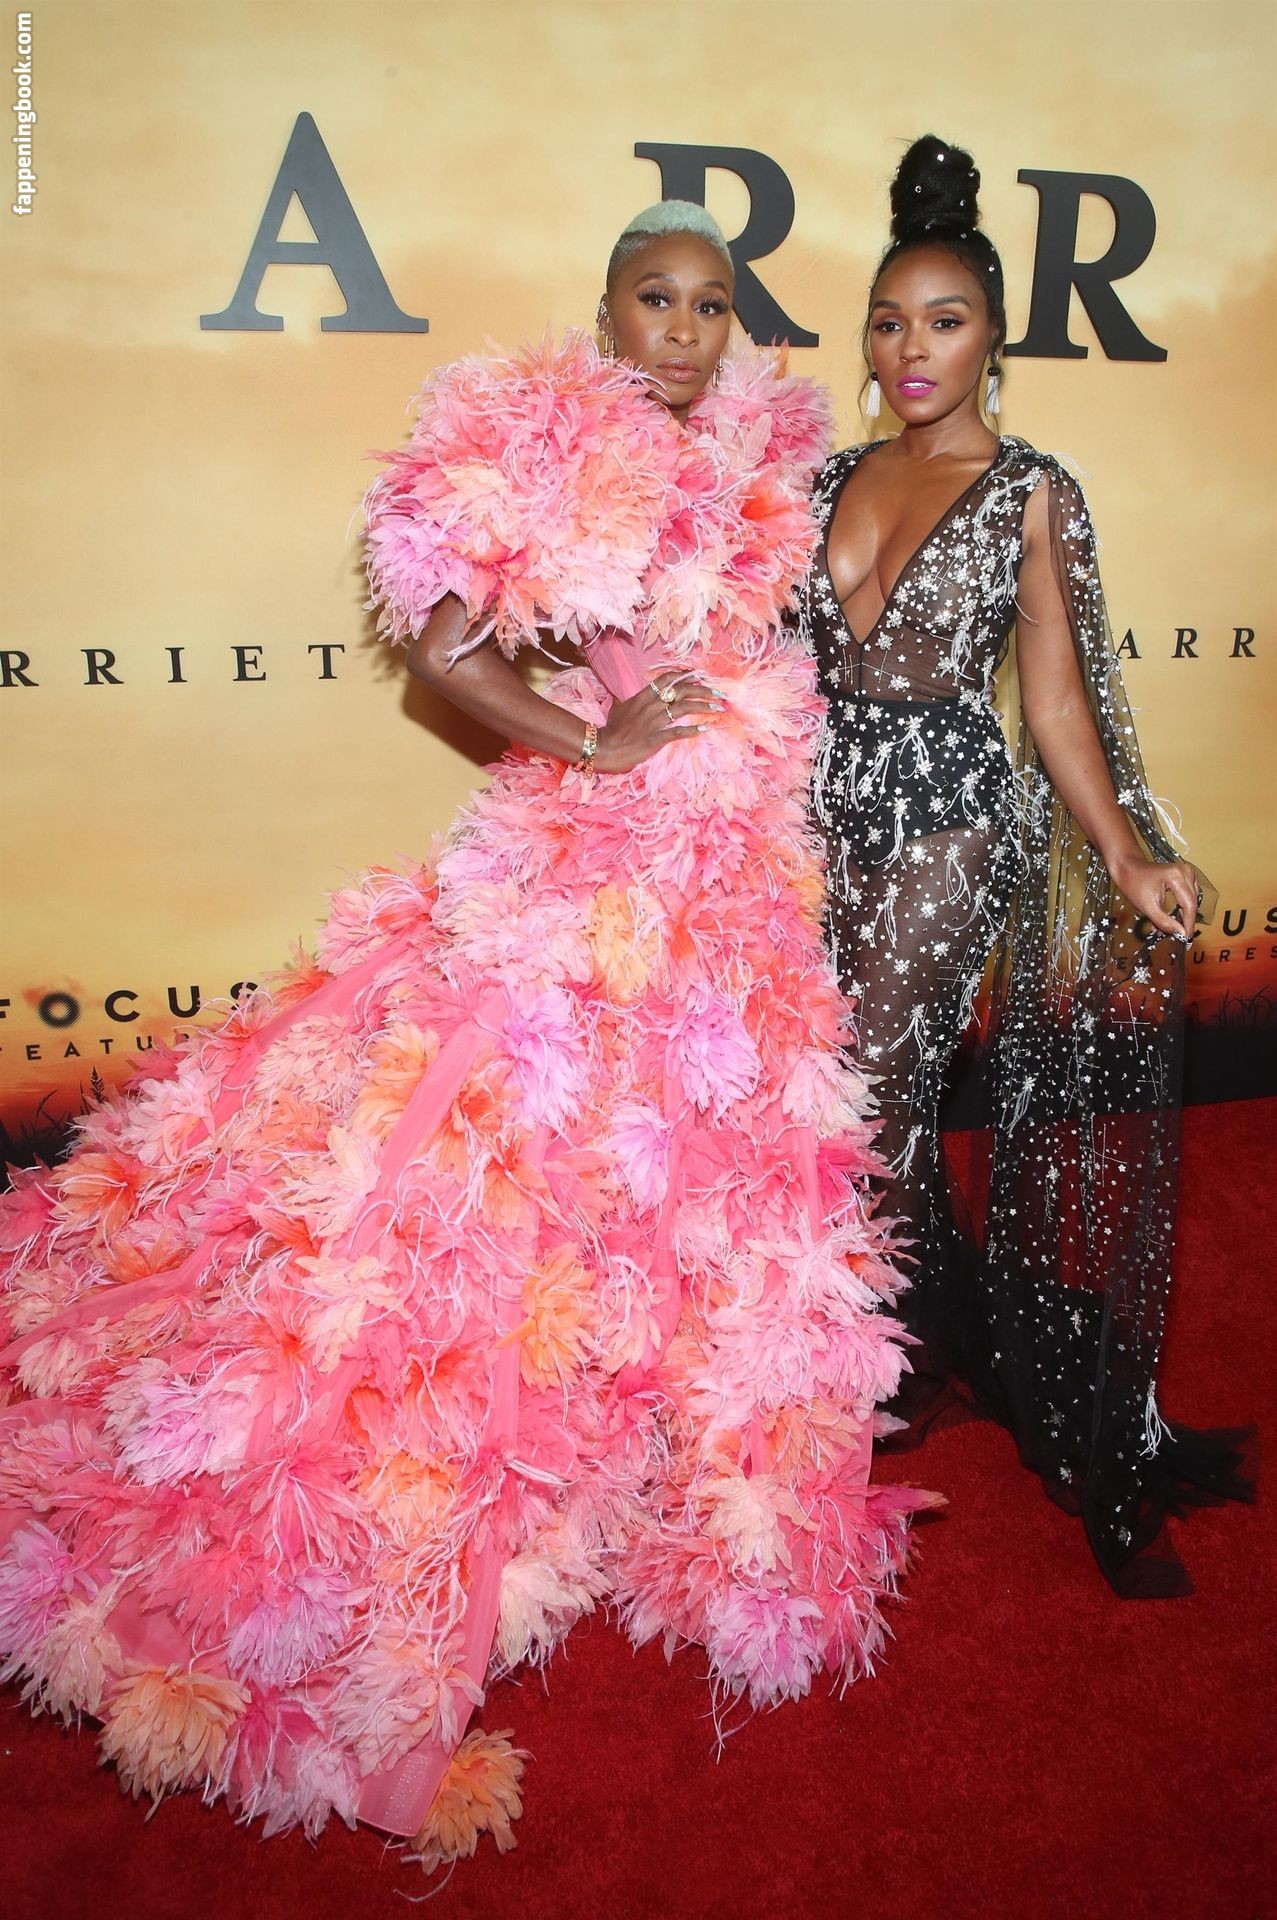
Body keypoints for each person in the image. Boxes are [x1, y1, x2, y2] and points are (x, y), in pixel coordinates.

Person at [0, 201, 932, 1871]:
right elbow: (444, 656)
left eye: (708, 304)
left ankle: (653, 1452)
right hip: (593, 865)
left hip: (731, 872)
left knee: (706, 1159)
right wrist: (596, 746)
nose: (681, 328)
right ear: (606, 308)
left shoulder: (756, 451)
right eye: (653, 297)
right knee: (498, 1168)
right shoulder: (542, 442)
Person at [800, 135, 1251, 1598]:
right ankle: (913, 1328)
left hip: (946, 825)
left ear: (992, 337)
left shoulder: (1027, 491)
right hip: (814, 827)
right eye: (888, 322)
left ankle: (886, 1361)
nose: (910, 349)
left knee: (868, 1092)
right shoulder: (823, 477)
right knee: (839, 1107)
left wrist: (1123, 848)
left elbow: (1052, 701)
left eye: (944, 321)